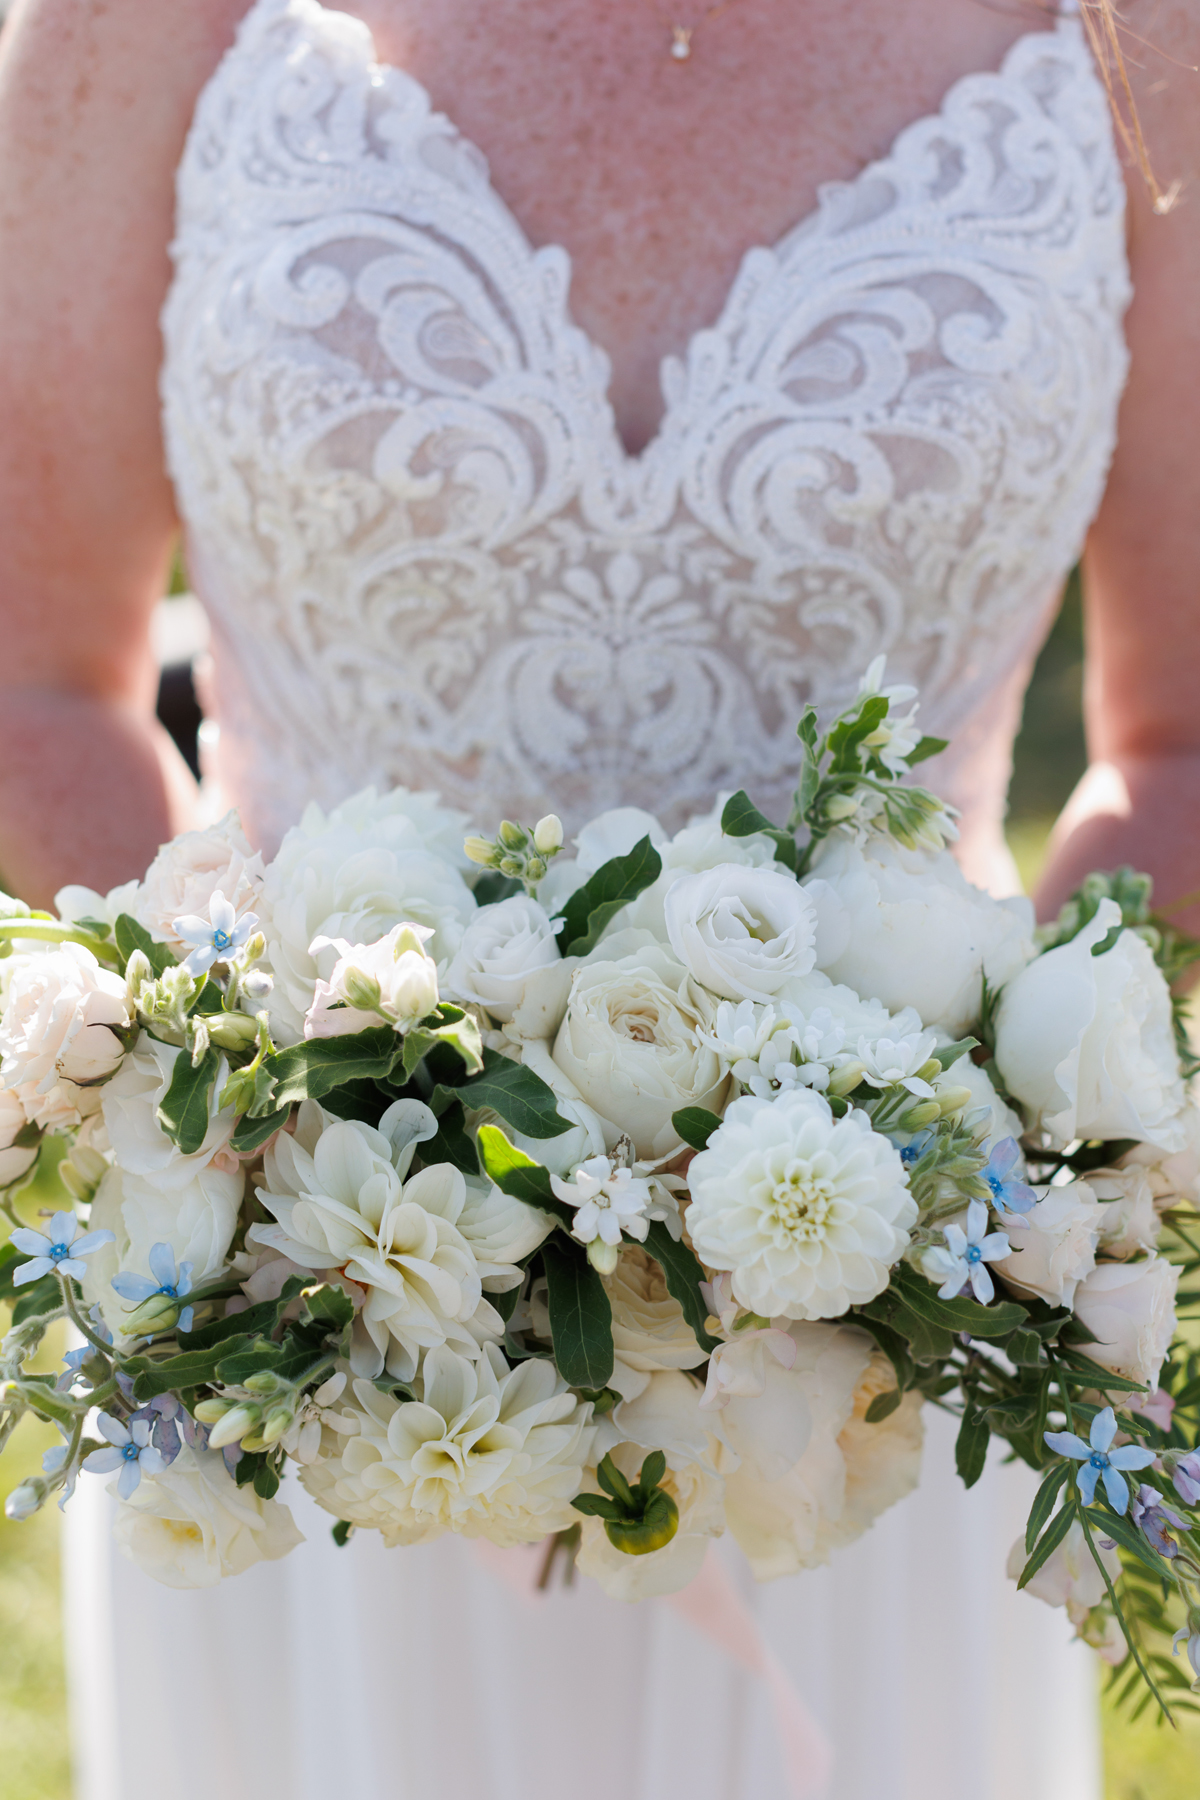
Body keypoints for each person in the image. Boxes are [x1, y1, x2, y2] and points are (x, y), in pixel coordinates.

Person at [1, 2, 1198, 1796]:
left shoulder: (1149, 34)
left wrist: (970, 1181)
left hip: (861, 1381)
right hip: (313, 1358)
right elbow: (33, 673)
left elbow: (1181, 739)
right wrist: (275, 1124)